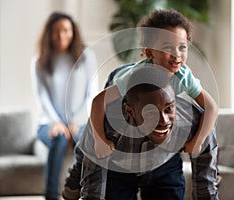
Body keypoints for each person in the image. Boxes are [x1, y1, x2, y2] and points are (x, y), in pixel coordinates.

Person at [62, 9, 218, 199]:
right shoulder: (131, 80)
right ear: (149, 51)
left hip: (159, 133)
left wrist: (198, 141)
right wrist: (101, 140)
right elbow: (98, 103)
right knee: (93, 134)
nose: (176, 54)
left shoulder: (183, 75)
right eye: (168, 47)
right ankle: (77, 173)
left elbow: (210, 107)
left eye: (182, 47)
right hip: (120, 87)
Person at [78, 66, 218, 199]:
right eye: (151, 113)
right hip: (119, 171)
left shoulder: (191, 121)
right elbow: (92, 190)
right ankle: (73, 181)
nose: (163, 120)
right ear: (130, 111)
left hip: (165, 168)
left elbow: (206, 186)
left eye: (169, 108)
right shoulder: (109, 122)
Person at [31, 11, 98, 200]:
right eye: (56, 31)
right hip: (48, 123)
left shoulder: (86, 56)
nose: (61, 35)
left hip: (80, 121)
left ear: (73, 32)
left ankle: (87, 193)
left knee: (86, 143)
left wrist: (73, 122)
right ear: (49, 34)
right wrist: (57, 123)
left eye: (66, 30)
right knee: (59, 138)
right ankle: (51, 195)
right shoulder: (39, 61)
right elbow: (42, 97)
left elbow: (92, 94)